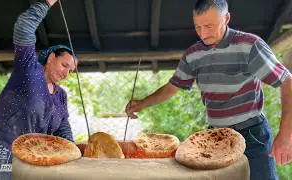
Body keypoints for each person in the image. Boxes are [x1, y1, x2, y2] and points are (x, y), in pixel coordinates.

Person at [125, 0, 292, 179]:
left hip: (252, 134)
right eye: (198, 27)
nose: (203, 34)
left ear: (226, 18)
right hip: (214, 137)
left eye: (209, 26)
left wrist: (285, 135)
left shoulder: (250, 46)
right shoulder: (193, 54)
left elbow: (287, 81)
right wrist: (142, 103)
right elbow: (172, 87)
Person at [0, 0, 77, 179]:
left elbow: (62, 129)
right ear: (51, 58)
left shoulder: (60, 95)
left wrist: (74, 152)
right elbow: (23, 28)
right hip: (0, 153)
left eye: (71, 70)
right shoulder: (29, 69)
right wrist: (45, 3)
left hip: (30, 158)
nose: (66, 73)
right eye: (64, 65)